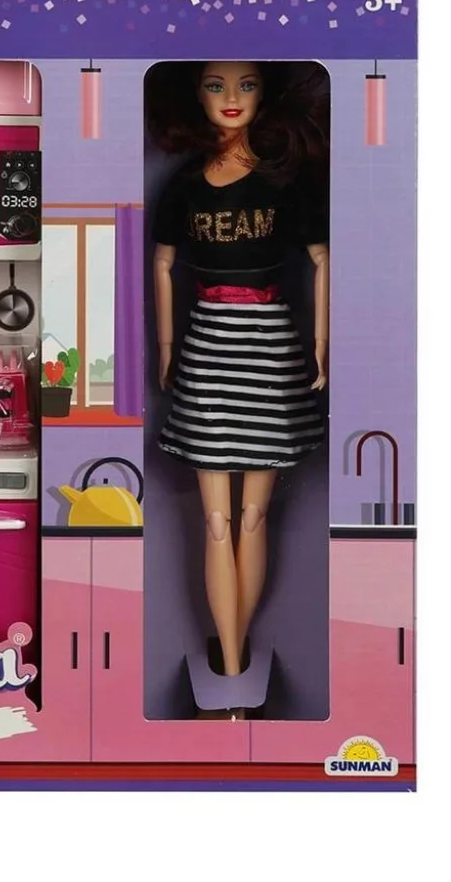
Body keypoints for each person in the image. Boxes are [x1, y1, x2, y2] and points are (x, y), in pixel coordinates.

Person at [147, 60, 330, 717]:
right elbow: (163, 264)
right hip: (207, 350)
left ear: (265, 92)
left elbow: (321, 259)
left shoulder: (285, 181)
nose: (230, 98)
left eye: (245, 84)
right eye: (215, 85)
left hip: (271, 350)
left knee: (252, 517)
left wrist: (320, 340)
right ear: (193, 95)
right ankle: (231, 663)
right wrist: (168, 348)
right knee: (217, 521)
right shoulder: (185, 186)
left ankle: (234, 660)